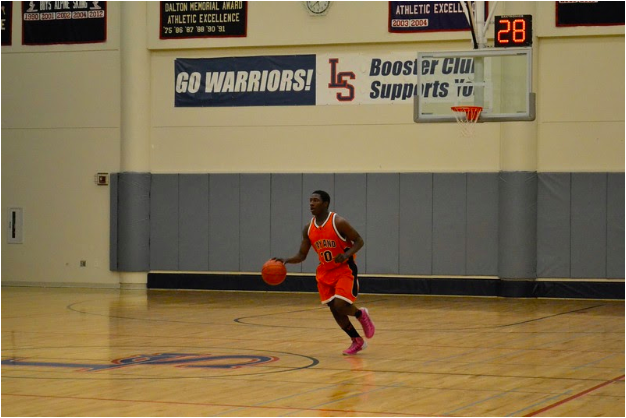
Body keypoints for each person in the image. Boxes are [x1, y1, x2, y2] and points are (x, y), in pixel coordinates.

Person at [274, 190, 375, 355]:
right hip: (325, 272)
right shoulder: (309, 228)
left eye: (315, 200)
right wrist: (286, 260)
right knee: (334, 309)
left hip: (344, 269)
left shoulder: (338, 222)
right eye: (310, 200)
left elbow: (359, 240)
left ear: (325, 203)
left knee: (340, 305)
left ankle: (360, 314)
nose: (311, 203)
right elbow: (302, 255)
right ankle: (357, 340)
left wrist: (347, 254)